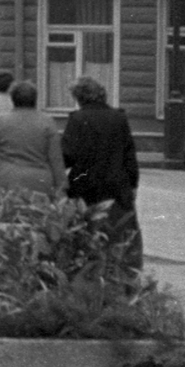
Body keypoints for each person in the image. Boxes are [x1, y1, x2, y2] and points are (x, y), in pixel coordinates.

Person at [61, 75, 144, 264]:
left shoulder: (77, 118)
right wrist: (133, 184)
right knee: (120, 233)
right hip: (117, 184)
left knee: (86, 233)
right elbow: (129, 154)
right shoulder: (119, 117)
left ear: (79, 97)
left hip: (85, 185)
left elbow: (68, 154)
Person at [0, 80, 65, 196]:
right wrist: (62, 186)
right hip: (40, 181)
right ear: (35, 99)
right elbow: (55, 158)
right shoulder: (47, 122)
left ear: (12, 99)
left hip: (7, 179)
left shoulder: (0, 122)